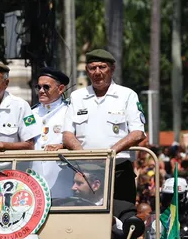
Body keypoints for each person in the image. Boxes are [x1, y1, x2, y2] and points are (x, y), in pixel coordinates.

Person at [62, 49, 146, 203]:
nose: (97, 72)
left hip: (118, 169)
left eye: (102, 67)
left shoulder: (127, 95)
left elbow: (138, 133)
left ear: (112, 69)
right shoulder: (77, 96)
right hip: (84, 172)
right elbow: (67, 135)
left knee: (121, 218)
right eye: (93, 68)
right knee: (85, 220)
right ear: (87, 71)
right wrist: (86, 157)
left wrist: (109, 154)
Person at [31, 67, 74, 196]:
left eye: (46, 87)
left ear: (60, 89)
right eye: (38, 87)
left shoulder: (69, 111)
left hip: (62, 178)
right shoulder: (31, 114)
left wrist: (63, 146)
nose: (41, 91)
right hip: (34, 178)